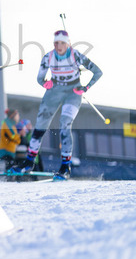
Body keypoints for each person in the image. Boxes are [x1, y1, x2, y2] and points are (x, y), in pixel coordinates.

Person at [12, 30, 103, 179]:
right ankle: (28, 162)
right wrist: (44, 83)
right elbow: (40, 78)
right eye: (56, 43)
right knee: (40, 125)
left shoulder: (76, 55)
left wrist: (85, 88)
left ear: (68, 43)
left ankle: (65, 167)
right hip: (54, 92)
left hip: (73, 93)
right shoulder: (48, 57)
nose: (58, 46)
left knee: (64, 124)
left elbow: (98, 72)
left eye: (62, 43)